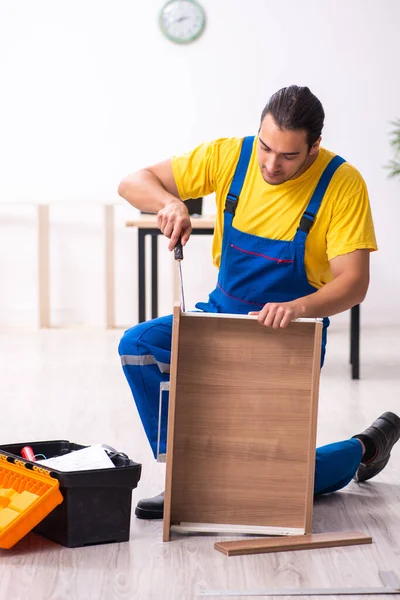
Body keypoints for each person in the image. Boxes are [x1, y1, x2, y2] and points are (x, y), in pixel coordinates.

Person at [118, 85, 400, 520]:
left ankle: (366, 445)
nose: (271, 164)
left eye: (288, 156)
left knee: (270, 482)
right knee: (138, 344)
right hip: (220, 313)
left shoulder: (342, 184)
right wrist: (171, 201)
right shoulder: (231, 156)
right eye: (266, 147)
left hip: (291, 333)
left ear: (314, 148)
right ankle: (187, 475)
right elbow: (132, 182)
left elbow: (354, 283)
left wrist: (300, 307)